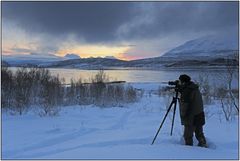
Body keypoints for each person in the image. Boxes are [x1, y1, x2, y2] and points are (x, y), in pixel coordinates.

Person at [178, 74, 207, 148]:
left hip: (191, 116)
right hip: (199, 113)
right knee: (199, 133)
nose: (179, 83)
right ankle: (203, 145)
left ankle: (189, 150)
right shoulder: (193, 87)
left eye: (180, 81)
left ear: (183, 82)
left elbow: (185, 105)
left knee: (187, 135)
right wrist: (181, 90)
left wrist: (183, 116)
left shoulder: (187, 91)